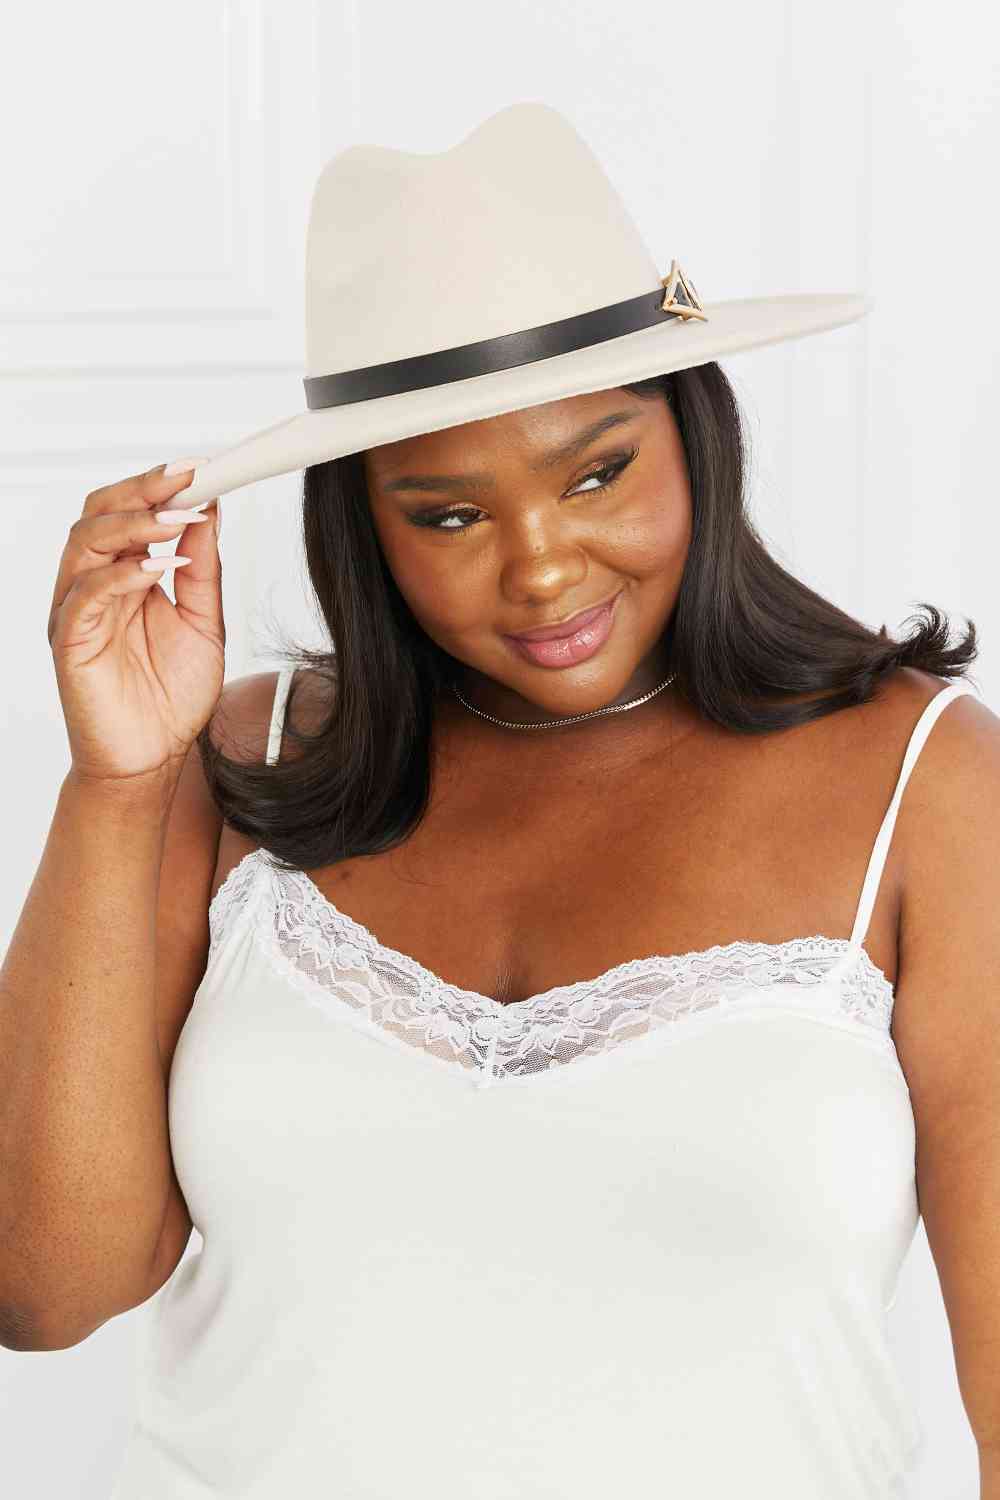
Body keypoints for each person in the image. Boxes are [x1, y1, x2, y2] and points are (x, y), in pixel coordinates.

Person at [2, 102, 999, 1500]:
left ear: (694, 431)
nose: (540, 568)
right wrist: (116, 786)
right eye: (450, 515)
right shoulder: (243, 766)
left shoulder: (925, 785)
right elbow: (45, 1292)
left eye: (599, 472)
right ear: (365, 524)